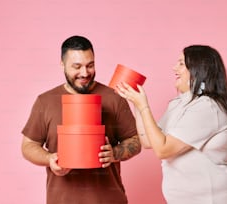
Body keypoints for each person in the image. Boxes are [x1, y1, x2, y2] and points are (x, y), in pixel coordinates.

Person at [21, 35, 141, 204]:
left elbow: (136, 140)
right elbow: (28, 145)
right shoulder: (45, 101)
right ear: (62, 65)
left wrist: (114, 153)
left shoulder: (114, 98)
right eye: (77, 67)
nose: (84, 73)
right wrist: (49, 159)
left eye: (90, 65)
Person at [117, 45, 227, 204]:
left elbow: (163, 150)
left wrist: (143, 106)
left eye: (181, 63)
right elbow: (148, 141)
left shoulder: (207, 107)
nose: (175, 68)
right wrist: (136, 104)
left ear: (198, 69)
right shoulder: (178, 104)